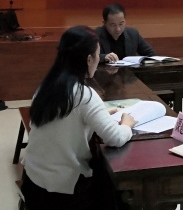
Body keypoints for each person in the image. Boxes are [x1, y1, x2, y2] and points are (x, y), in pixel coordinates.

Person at [21, 26, 136, 209]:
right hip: (63, 192)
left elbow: (64, 120)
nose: (98, 60)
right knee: (115, 190)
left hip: (32, 182)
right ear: (89, 59)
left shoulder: (45, 87)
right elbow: (115, 138)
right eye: (97, 55)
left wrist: (99, 117)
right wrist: (127, 124)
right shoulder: (85, 95)